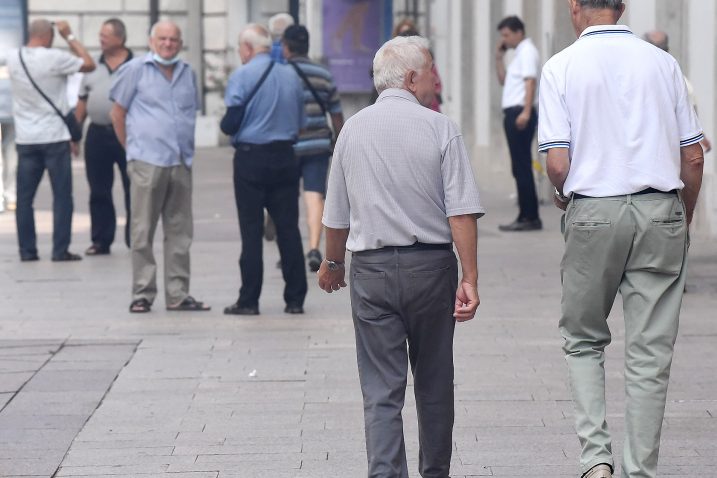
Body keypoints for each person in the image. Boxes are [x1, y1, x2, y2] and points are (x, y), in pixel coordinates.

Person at [539, 1, 704, 477]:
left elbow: (556, 164)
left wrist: (561, 194)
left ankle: (596, 461)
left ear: (575, 7)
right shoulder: (662, 62)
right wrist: (683, 218)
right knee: (651, 352)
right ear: (622, 7)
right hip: (660, 209)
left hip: (594, 210)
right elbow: (692, 158)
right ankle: (640, 469)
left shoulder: (561, 67)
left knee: (584, 339)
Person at [318, 35, 484, 478]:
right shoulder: (440, 127)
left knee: (381, 389)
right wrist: (469, 277)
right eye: (430, 69)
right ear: (412, 78)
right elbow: (461, 212)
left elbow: (336, 215)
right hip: (431, 269)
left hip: (371, 273)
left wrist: (333, 264)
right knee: (434, 383)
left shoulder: (352, 129)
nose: (434, 77)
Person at [110, 21, 210, 314]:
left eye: (173, 39)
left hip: (180, 161)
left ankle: (178, 294)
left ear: (180, 43)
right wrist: (132, 150)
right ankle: (142, 292)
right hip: (146, 160)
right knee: (142, 231)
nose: (168, 44)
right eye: (163, 39)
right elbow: (117, 112)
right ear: (151, 41)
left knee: (180, 231)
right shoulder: (135, 69)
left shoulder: (187, 72)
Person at [221, 24, 307, 316]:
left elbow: (230, 122)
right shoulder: (291, 76)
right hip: (285, 157)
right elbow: (300, 123)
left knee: (251, 230)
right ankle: (295, 299)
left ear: (247, 48)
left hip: (251, 158)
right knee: (288, 229)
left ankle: (249, 300)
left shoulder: (242, 75)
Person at [6, 19, 95, 262]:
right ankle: (59, 250)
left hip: (26, 139)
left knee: (24, 199)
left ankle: (27, 251)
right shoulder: (55, 57)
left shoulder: (14, 57)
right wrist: (69, 36)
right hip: (55, 138)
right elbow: (89, 63)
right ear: (48, 36)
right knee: (62, 197)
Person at [282, 25, 344, 272]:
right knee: (314, 195)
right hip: (318, 143)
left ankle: (284, 240)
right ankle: (313, 247)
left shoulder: (281, 73)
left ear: (285, 46)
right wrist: (339, 144)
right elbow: (336, 114)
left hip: (288, 144)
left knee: (284, 196)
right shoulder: (323, 74)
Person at [75, 18, 133, 256]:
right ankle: (101, 241)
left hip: (129, 134)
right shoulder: (92, 66)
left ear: (120, 38)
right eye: (100, 36)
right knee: (99, 189)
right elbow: (82, 101)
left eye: (105, 36)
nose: (100, 40)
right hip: (97, 134)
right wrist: (74, 134)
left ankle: (135, 239)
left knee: (134, 188)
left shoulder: (137, 65)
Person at [495, 15, 542, 231]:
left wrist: (525, 110)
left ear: (518, 32)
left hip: (520, 114)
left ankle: (529, 217)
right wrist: (498, 58)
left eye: (506, 35)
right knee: (519, 166)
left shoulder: (527, 51)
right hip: (513, 113)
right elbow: (504, 81)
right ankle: (525, 214)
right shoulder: (517, 55)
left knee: (522, 166)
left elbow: (530, 82)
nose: (504, 40)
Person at [643, 30, 712, 154]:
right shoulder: (678, 79)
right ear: (668, 49)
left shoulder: (633, 78)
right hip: (669, 155)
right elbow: (689, 120)